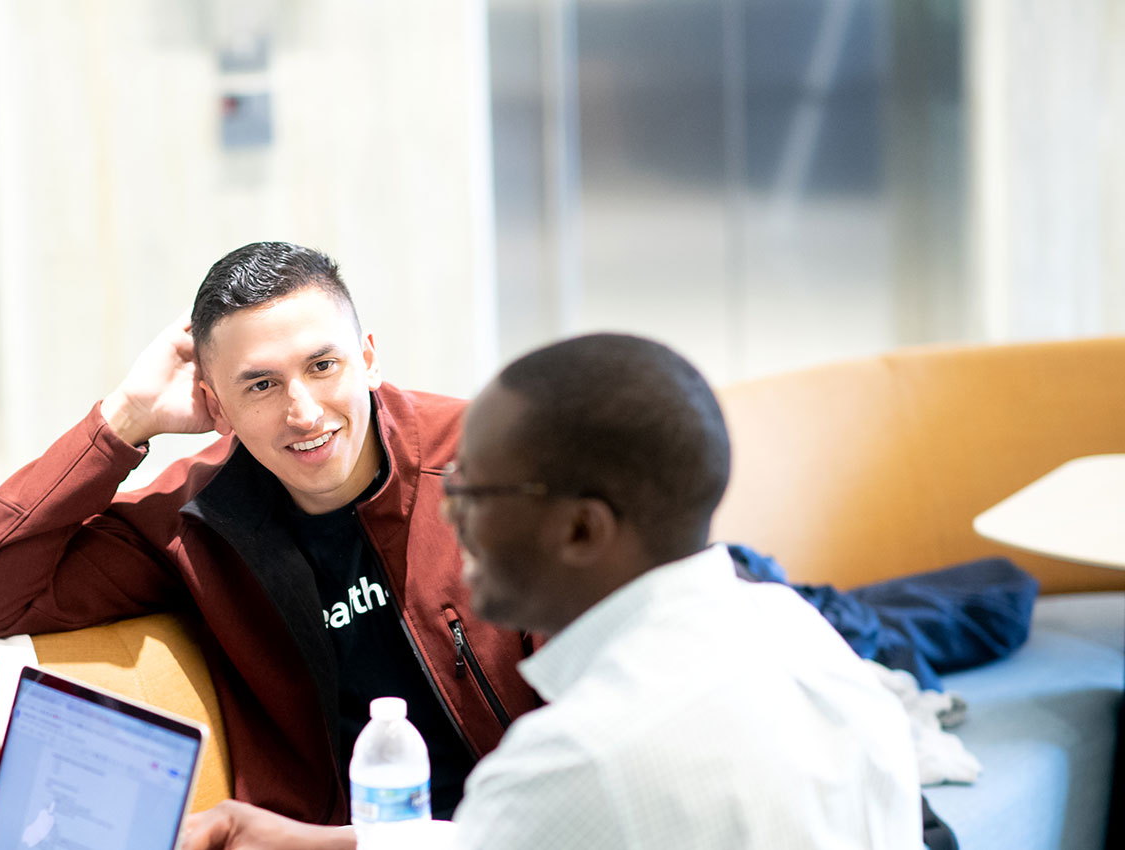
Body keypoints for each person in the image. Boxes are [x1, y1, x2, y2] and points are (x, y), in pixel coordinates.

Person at [181, 333, 925, 849]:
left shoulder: (578, 759)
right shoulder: (793, 628)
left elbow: (548, 812)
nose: (451, 513)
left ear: (580, 530)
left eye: (473, 490)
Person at [0, 242, 540, 823]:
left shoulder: (491, 463)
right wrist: (125, 416)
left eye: (322, 365)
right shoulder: (201, 517)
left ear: (369, 358)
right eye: (261, 385)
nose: (303, 412)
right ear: (217, 406)